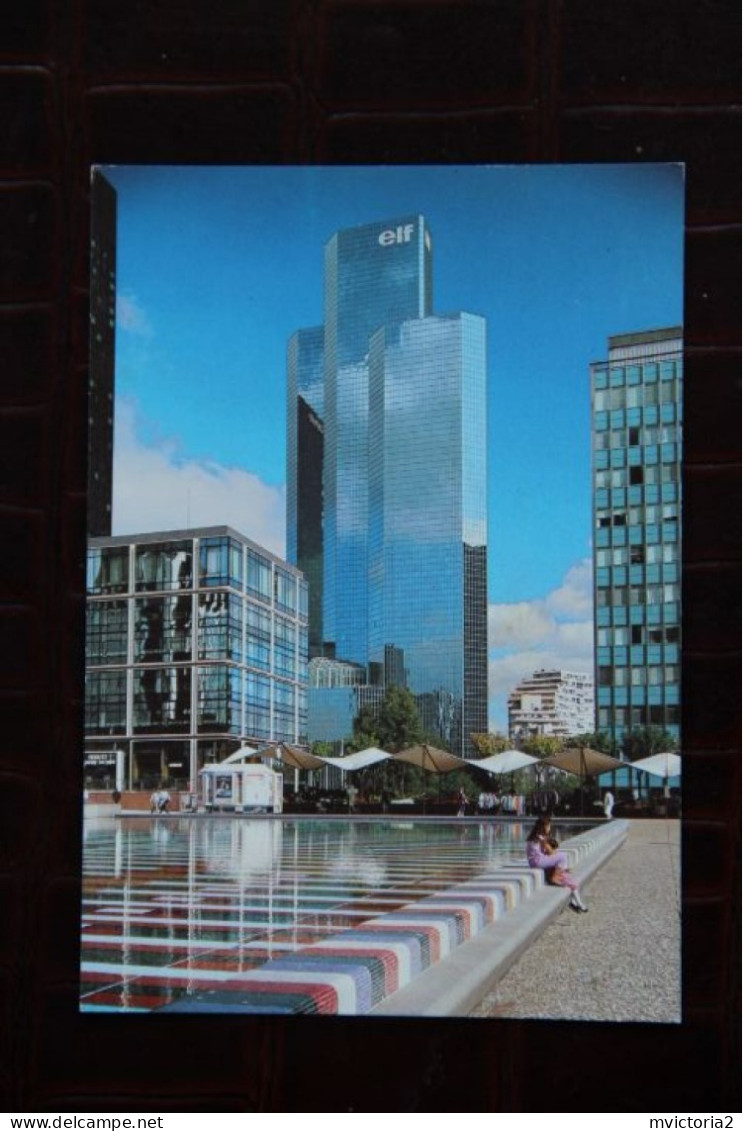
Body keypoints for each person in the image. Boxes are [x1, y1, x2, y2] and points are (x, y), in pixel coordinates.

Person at [525, 816, 588, 912]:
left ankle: (576, 903)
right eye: (549, 826)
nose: (550, 828)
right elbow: (551, 852)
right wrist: (553, 852)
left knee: (561, 861)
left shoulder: (534, 836)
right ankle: (555, 877)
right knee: (562, 856)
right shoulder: (541, 837)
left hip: (534, 861)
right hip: (538, 861)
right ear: (544, 826)